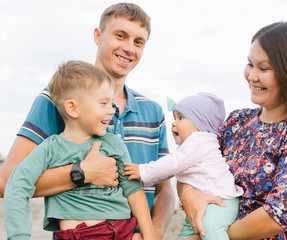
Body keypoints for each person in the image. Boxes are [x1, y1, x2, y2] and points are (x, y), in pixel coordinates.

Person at [0, 3, 174, 240]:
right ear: (98, 35)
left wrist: (152, 233)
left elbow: (164, 189)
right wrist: (81, 173)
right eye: (120, 35)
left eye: (138, 41)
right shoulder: (57, 98)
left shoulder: (154, 113)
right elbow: (8, 182)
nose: (128, 48)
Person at [178, 22, 287, 239]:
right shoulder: (237, 122)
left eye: (263, 68)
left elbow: (281, 214)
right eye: (250, 64)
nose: (252, 76)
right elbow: (191, 162)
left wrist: (213, 236)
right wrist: (188, 194)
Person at [4, 60, 154, 240]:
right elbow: (17, 185)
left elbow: (133, 190)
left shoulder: (113, 143)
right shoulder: (51, 149)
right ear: (73, 108)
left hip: (122, 231)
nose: (111, 110)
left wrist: (148, 236)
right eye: (104, 103)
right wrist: (19, 236)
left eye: (112, 103)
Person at [123, 93, 243, 240]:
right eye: (174, 118)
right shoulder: (192, 146)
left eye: (181, 118)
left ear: (201, 124)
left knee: (211, 228)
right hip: (203, 204)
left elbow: (173, 164)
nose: (174, 123)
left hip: (220, 202)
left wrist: (142, 171)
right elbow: (170, 171)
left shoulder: (200, 140)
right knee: (186, 234)